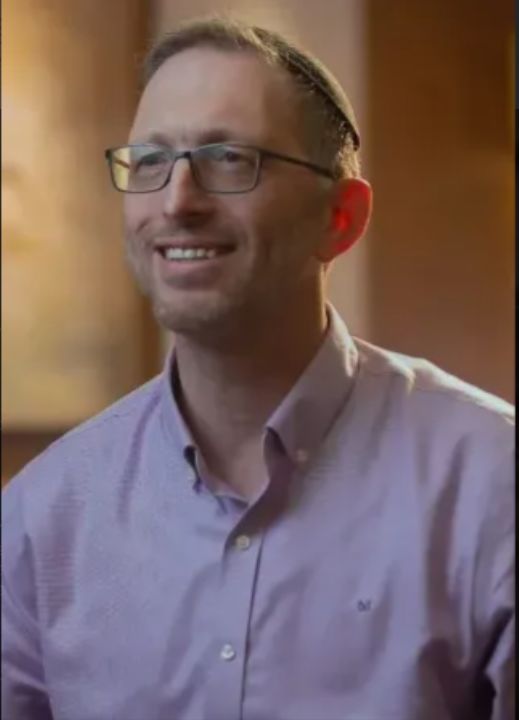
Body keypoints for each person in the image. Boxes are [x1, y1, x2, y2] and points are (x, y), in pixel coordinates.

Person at [2, 15, 514, 720]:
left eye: (228, 158)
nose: (178, 201)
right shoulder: (43, 516)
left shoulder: (490, 482)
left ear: (340, 217)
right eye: (150, 161)